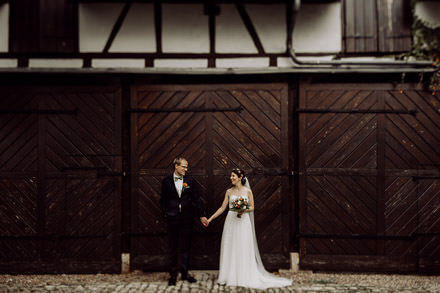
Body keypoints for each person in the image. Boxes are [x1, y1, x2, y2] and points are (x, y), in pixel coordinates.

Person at [206, 168, 292, 289]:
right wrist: (210, 219)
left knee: (243, 246)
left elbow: (252, 207)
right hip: (231, 221)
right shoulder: (229, 191)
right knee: (230, 246)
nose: (231, 178)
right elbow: (222, 207)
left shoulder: (248, 191)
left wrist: (243, 210)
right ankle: (228, 275)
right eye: (231, 176)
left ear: (240, 177)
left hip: (243, 222)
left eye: (233, 176)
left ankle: (243, 275)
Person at [160, 157, 208, 286]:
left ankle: (185, 273)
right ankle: (173, 275)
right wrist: (166, 213)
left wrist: (201, 215)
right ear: (176, 165)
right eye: (183, 167)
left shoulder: (190, 180)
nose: (186, 169)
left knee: (186, 246)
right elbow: (163, 200)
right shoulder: (166, 181)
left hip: (187, 218)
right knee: (173, 247)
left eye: (187, 167)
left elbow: (197, 199)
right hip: (172, 218)